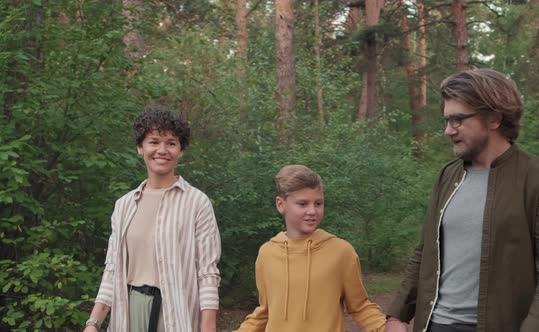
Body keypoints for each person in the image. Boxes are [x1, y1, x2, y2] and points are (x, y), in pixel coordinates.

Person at [385, 69, 539, 332]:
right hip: (435, 325)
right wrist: (397, 314)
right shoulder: (447, 175)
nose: (448, 130)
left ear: (494, 118)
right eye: (447, 120)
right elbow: (425, 250)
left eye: (457, 119)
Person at [83, 106, 221, 332]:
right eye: (154, 141)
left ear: (181, 151)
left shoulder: (197, 202)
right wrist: (93, 323)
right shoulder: (124, 205)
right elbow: (112, 269)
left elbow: (207, 273)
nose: (162, 150)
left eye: (171, 143)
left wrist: (208, 328)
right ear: (140, 147)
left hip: (176, 314)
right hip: (129, 312)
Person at [235, 165, 386, 332]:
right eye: (302, 204)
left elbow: (360, 306)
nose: (312, 211)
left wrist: (385, 327)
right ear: (281, 204)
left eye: (318, 203)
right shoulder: (267, 253)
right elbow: (265, 312)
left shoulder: (341, 252)